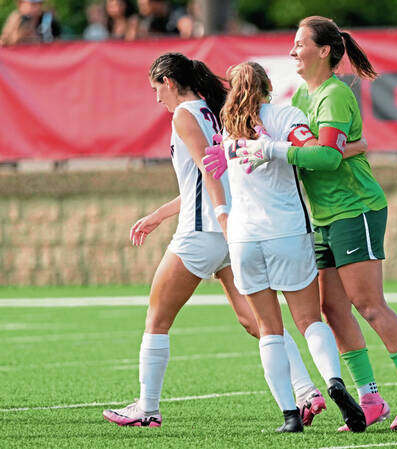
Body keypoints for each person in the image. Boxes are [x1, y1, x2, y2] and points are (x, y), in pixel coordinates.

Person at [222, 16, 397, 431]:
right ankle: (370, 397)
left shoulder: (334, 95)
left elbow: (326, 156)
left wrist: (272, 149)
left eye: (300, 43)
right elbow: (324, 146)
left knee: (369, 305)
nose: (292, 50)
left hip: (354, 208)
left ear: (324, 51)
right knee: (332, 309)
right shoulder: (303, 94)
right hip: (321, 215)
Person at [102, 53, 325, 428]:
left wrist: (220, 220)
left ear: (169, 83)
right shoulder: (213, 110)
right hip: (230, 230)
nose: (157, 98)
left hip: (204, 232)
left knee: (156, 317)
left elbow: (209, 170)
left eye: (157, 89)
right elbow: (204, 178)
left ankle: (148, 408)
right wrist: (160, 215)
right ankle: (306, 391)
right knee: (255, 320)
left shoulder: (184, 114)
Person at [205, 61, 367, 433]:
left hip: (244, 237)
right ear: (267, 86)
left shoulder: (227, 128)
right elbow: (309, 149)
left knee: (268, 330)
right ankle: (334, 382)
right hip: (287, 232)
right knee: (309, 319)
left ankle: (290, 415)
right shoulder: (285, 113)